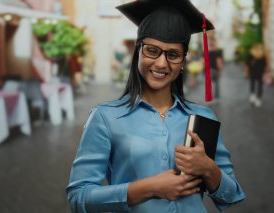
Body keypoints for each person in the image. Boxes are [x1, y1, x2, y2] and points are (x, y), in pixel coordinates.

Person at [66, 1, 245, 212]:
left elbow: (232, 196)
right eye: (152, 51)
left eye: (173, 54)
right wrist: (149, 188)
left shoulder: (203, 118)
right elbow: (79, 198)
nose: (161, 63)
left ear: (183, 62)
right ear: (138, 51)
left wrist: (208, 168)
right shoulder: (105, 118)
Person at [245, 43, 266, 107]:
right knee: (260, 85)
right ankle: (258, 100)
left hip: (252, 72)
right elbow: (265, 65)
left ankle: (252, 97)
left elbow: (247, 65)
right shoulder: (262, 55)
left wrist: (246, 73)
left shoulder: (250, 55)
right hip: (260, 72)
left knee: (252, 84)